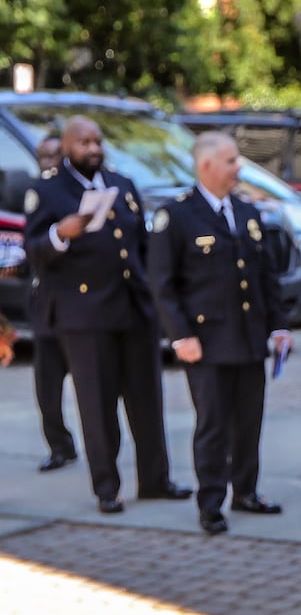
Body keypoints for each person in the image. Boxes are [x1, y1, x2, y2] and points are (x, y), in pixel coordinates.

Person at [24, 116, 190, 514]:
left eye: (97, 141)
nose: (94, 149)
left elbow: (141, 243)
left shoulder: (121, 183)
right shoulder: (46, 190)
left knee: (146, 399)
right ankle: (106, 488)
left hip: (132, 307)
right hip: (84, 313)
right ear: (66, 147)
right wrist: (59, 235)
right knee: (97, 405)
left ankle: (155, 479)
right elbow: (33, 248)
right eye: (84, 142)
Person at [145, 132, 289, 535]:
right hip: (205, 342)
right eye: (230, 161)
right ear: (206, 166)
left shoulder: (246, 212)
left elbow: (264, 277)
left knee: (249, 420)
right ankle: (211, 501)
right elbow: (162, 284)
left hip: (247, 336)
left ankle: (246, 490)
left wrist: (278, 326)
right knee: (213, 424)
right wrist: (180, 335)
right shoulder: (177, 216)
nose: (237, 168)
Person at [29, 132, 79, 473]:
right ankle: (59, 446)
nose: (49, 164)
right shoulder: (38, 193)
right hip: (47, 306)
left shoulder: (75, 191)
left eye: (55, 156)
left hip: (83, 304)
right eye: (43, 157)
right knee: (47, 386)